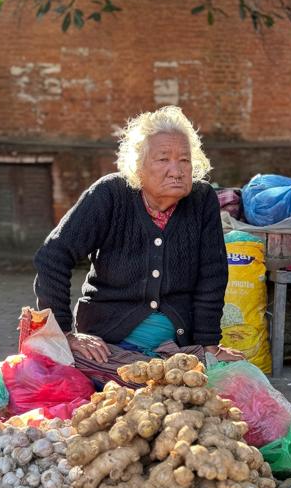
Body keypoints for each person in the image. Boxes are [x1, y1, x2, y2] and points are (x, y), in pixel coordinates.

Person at [33, 105, 241, 386]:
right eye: (163, 159)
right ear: (138, 167)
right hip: (108, 346)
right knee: (107, 380)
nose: (177, 171)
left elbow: (212, 276)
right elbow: (53, 256)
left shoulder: (202, 200)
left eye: (184, 160)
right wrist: (66, 334)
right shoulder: (110, 194)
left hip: (178, 349)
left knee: (234, 379)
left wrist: (208, 345)